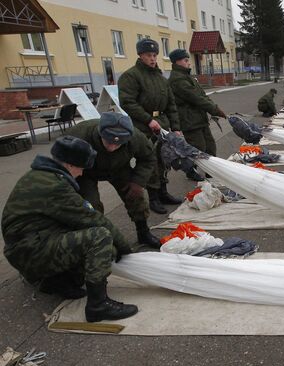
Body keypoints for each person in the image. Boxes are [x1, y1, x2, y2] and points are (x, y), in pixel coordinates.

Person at [2, 136, 138, 322]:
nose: (81, 173)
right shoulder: (55, 186)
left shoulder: (41, 175)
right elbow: (93, 220)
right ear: (69, 164)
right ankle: (98, 305)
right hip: (30, 252)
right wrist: (126, 249)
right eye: (81, 168)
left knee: (95, 244)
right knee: (100, 237)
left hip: (28, 246)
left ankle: (55, 282)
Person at [66, 112, 159, 248]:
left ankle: (143, 232)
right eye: (108, 141)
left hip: (119, 168)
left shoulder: (136, 138)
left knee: (136, 196)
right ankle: (97, 240)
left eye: (118, 143)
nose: (112, 147)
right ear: (100, 133)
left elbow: (148, 158)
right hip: (85, 172)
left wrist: (138, 181)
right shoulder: (78, 136)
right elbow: (62, 161)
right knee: (91, 206)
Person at [118, 38, 183, 215]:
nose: (153, 59)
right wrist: (148, 119)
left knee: (164, 159)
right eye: (149, 55)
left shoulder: (161, 77)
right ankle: (153, 197)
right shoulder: (131, 76)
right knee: (150, 162)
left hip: (161, 125)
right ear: (140, 55)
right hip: (143, 127)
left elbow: (171, 104)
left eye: (155, 55)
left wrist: (176, 127)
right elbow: (127, 102)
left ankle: (163, 193)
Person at [168, 49, 228, 180]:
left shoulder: (187, 76)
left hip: (199, 118)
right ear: (177, 62)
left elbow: (202, 95)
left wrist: (214, 109)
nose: (189, 63)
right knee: (197, 148)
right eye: (186, 60)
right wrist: (214, 109)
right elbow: (195, 97)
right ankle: (190, 170)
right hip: (189, 120)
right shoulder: (177, 79)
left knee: (210, 146)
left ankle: (210, 171)